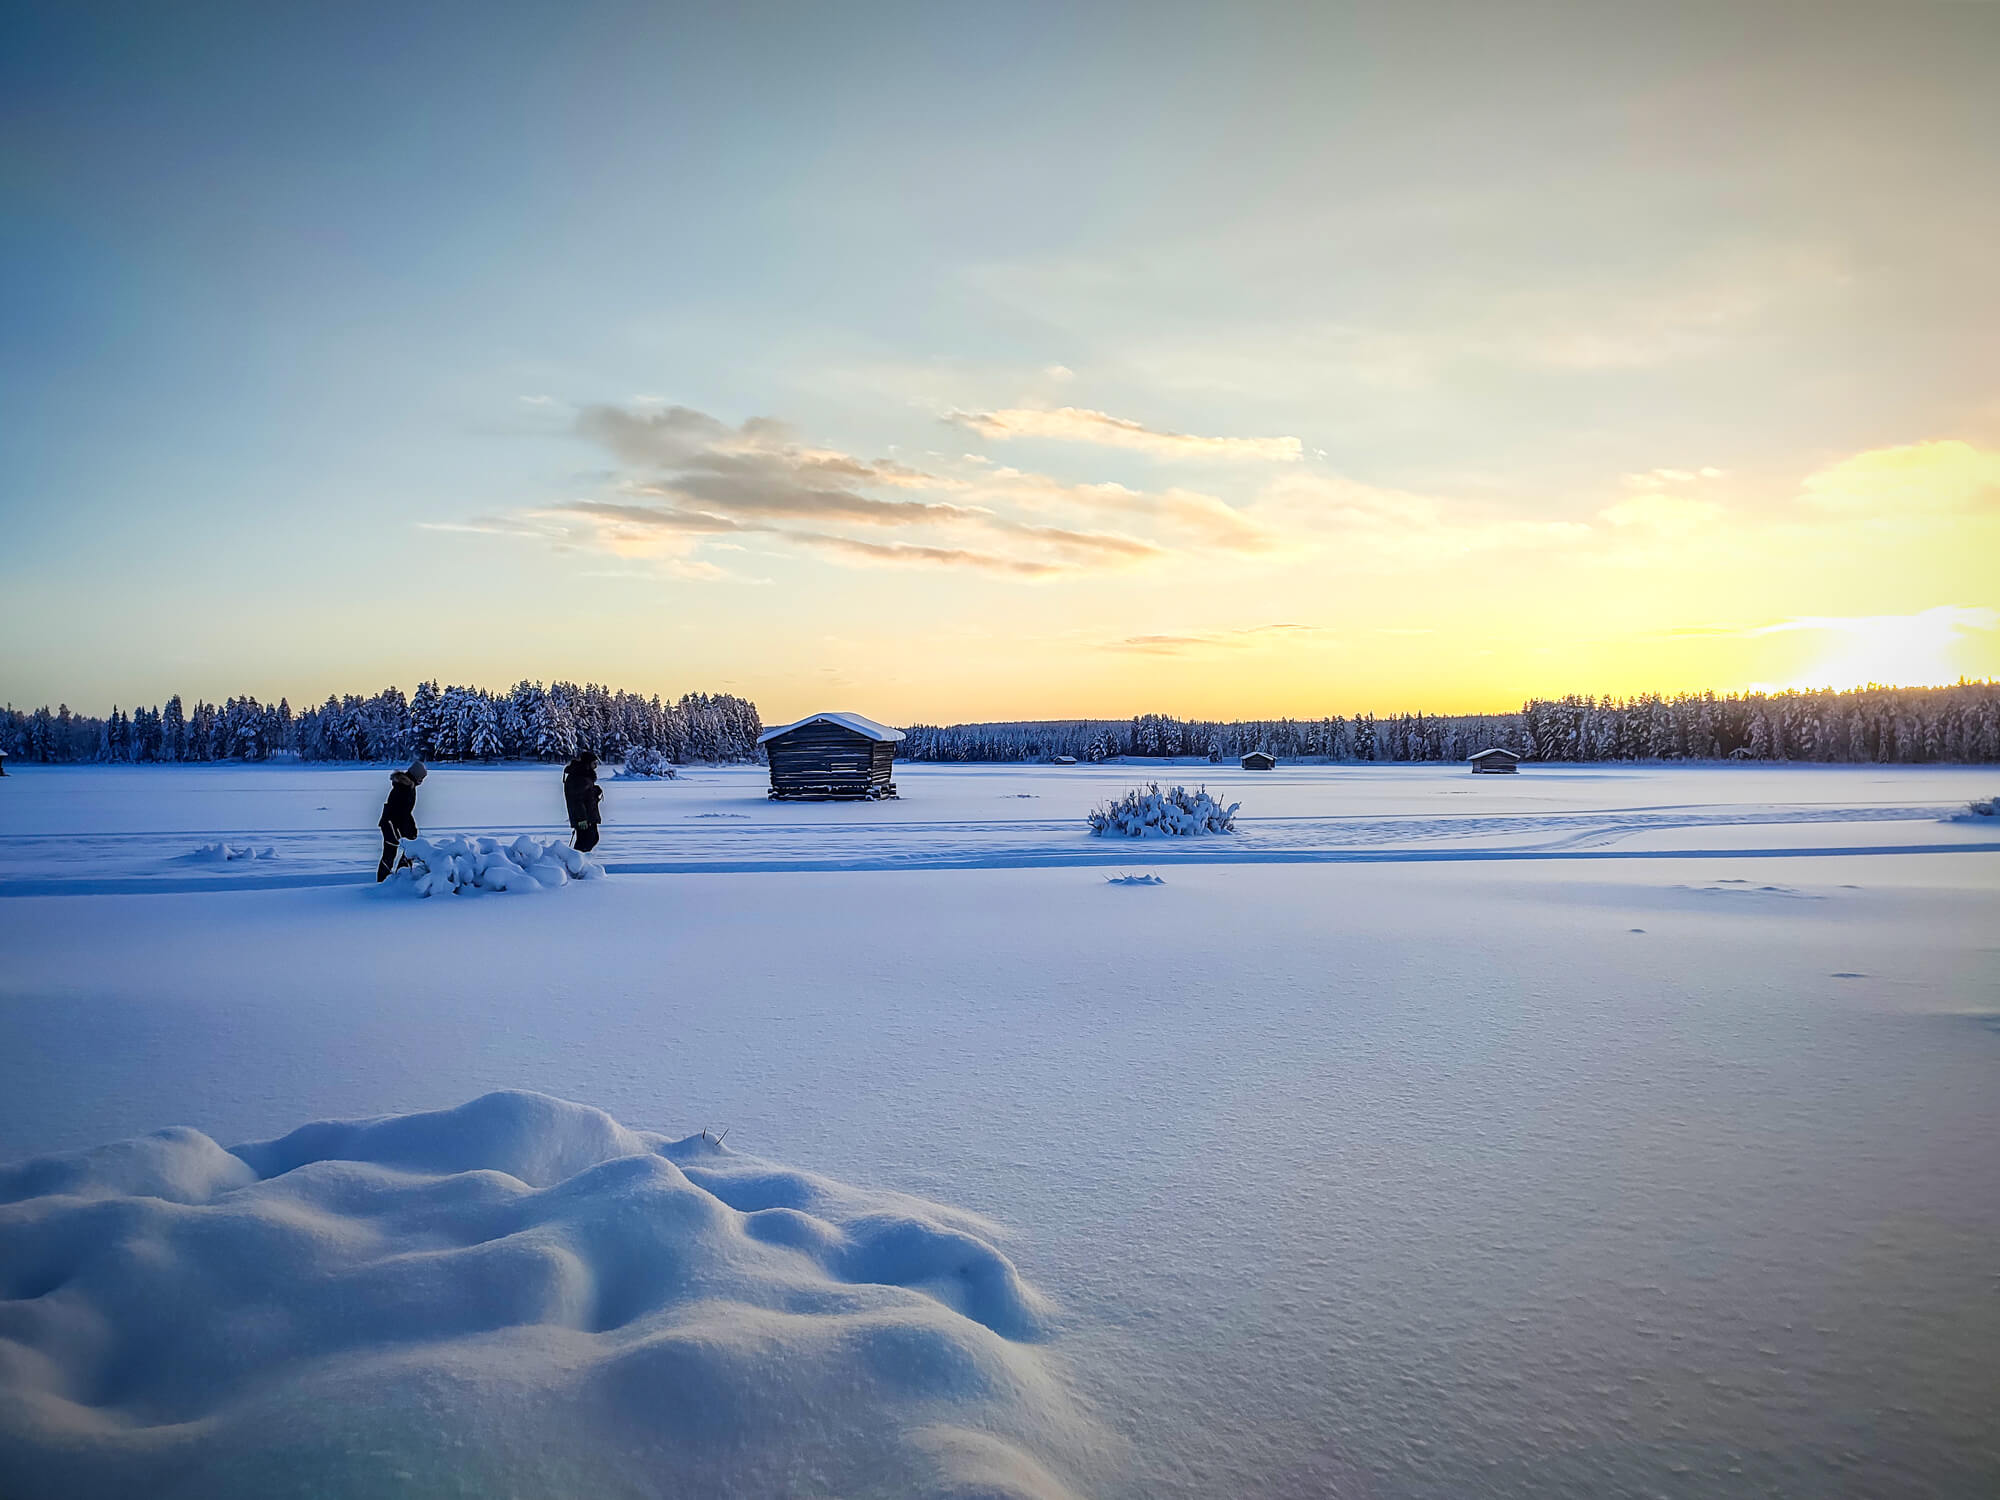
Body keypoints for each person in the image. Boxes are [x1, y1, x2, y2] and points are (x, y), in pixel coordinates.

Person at [377, 760, 427, 881]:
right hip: (391, 823)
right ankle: (384, 880)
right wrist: (408, 829)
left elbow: (406, 812)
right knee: (391, 851)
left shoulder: (408, 785)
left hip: (395, 822)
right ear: (416, 776)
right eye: (421, 778)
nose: (422, 781)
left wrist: (411, 828)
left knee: (409, 848)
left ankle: (401, 874)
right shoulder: (404, 787)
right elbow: (400, 812)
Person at [563, 751, 603, 852]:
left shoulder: (584, 775)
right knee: (586, 841)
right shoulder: (579, 776)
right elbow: (577, 799)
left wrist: (595, 791)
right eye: (594, 763)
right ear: (588, 763)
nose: (596, 766)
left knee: (592, 839)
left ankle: (580, 862)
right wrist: (582, 819)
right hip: (584, 817)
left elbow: (586, 794)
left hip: (588, 814)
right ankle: (577, 862)